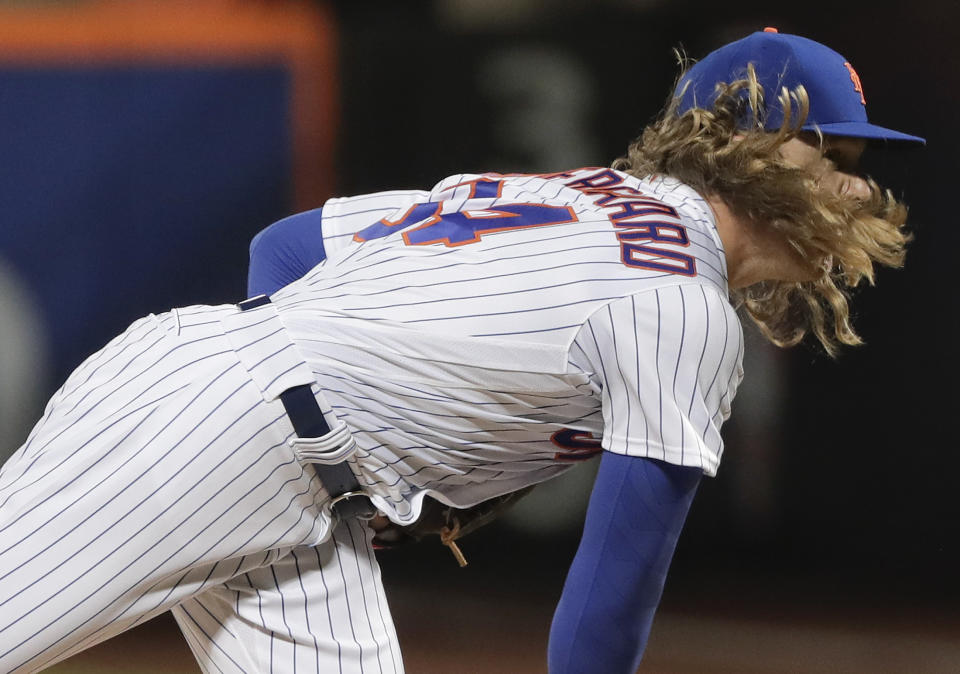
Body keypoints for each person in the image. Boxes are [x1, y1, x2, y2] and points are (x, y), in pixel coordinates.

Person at [0, 28, 922, 674]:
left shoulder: (576, 192)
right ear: (745, 148)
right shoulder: (685, 307)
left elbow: (286, 246)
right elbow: (617, 577)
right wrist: (295, 400)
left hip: (291, 474)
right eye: (828, 147)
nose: (854, 183)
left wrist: (363, 402)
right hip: (219, 430)